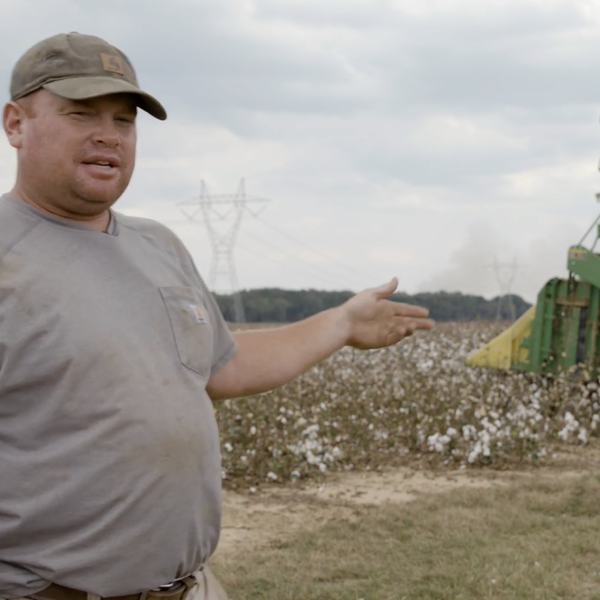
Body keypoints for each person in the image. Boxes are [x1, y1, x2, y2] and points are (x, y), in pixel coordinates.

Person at [0, 32, 434, 600]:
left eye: (124, 120)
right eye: (81, 114)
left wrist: (342, 324)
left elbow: (219, 369)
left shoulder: (158, 245)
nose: (108, 134)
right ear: (15, 124)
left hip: (189, 587)